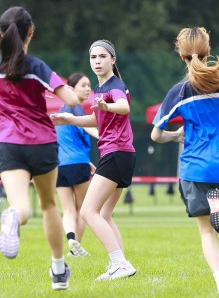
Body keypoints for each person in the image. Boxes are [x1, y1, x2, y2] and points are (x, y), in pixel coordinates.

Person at [150, 27, 219, 294]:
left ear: (181, 56)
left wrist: (175, 136)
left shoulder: (179, 91)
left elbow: (155, 135)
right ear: (209, 52)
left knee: (207, 231)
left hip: (195, 167)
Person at [0, 6, 78, 291]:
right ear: (31, 32)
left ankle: (13, 217)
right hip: (41, 143)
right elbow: (71, 98)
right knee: (49, 205)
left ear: (1, 33)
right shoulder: (37, 67)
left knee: (19, 205)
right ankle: (59, 271)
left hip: (8, 143)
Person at [51, 39, 137, 281]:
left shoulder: (114, 85)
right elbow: (96, 120)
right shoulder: (100, 90)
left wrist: (108, 106)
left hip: (116, 153)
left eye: (102, 56)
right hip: (122, 154)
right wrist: (69, 119)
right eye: (93, 57)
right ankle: (120, 263)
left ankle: (119, 264)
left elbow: (122, 107)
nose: (97, 61)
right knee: (105, 214)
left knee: (89, 212)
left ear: (113, 60)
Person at [55, 72, 99, 258]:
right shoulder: (77, 108)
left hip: (60, 167)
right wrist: (105, 137)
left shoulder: (61, 110)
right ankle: (75, 249)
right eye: (83, 85)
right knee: (84, 209)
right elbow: (86, 127)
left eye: (89, 85)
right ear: (71, 89)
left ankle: (70, 237)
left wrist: (88, 161)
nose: (88, 88)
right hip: (78, 164)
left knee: (67, 210)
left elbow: (66, 142)